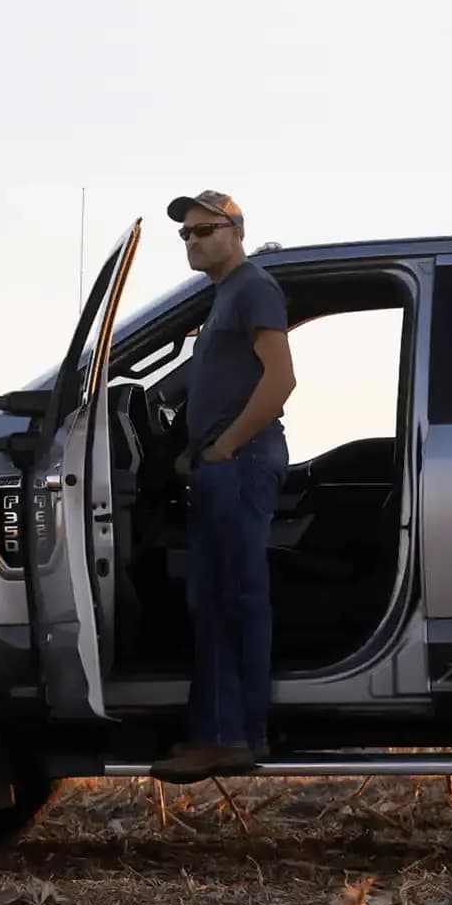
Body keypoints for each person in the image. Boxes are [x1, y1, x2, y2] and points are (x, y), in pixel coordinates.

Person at [150, 190, 296, 784]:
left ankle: (231, 736)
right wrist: (193, 450)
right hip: (219, 466)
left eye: (204, 230)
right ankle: (219, 731)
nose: (193, 241)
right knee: (212, 600)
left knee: (232, 600)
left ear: (235, 230)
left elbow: (281, 379)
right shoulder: (223, 299)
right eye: (185, 234)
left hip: (243, 463)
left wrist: (228, 446)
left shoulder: (253, 286)